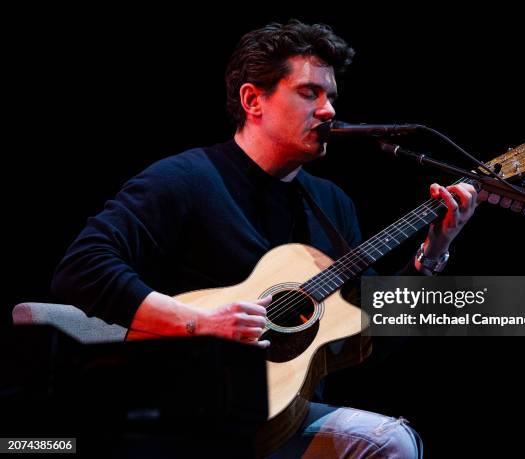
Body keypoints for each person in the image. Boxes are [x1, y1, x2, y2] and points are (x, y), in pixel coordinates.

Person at [52, 20, 478, 458]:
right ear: (253, 100)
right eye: (309, 92)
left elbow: (373, 340)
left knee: (390, 443)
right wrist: (199, 322)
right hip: (176, 411)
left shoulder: (331, 205)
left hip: (280, 418)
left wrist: (432, 255)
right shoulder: (185, 180)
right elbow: (82, 267)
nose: (329, 109)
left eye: (331, 95)